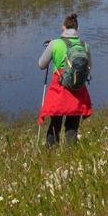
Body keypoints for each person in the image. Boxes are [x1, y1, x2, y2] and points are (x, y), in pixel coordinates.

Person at [38, 13, 93, 146]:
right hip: (78, 89)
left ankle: (51, 151)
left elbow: (41, 65)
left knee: (55, 123)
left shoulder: (55, 44)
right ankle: (71, 152)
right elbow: (89, 68)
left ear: (63, 27)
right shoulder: (85, 46)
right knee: (72, 124)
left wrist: (51, 49)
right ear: (77, 29)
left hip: (59, 88)